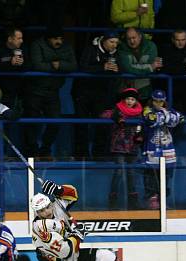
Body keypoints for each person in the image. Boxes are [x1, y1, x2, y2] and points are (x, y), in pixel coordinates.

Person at [26, 25, 77, 158]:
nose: (58, 41)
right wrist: (54, 66)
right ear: (48, 38)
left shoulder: (66, 47)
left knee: (55, 122)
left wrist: (59, 65)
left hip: (53, 91)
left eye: (60, 38)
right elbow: (37, 65)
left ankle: (45, 150)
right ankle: (32, 152)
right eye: (55, 39)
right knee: (31, 122)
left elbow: (73, 65)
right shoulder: (37, 44)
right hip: (35, 90)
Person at [74, 30, 121, 160]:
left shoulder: (116, 53)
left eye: (116, 42)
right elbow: (82, 67)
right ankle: (81, 155)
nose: (114, 45)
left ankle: (99, 154)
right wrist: (102, 67)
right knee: (82, 124)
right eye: (111, 42)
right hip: (83, 92)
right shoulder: (90, 50)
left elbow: (121, 68)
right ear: (104, 40)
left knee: (102, 124)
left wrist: (118, 70)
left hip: (102, 94)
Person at [102, 87, 144, 209]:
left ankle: (133, 202)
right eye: (128, 99)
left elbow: (141, 128)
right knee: (119, 171)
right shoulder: (117, 110)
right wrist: (116, 117)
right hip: (119, 146)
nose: (130, 101)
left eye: (132, 99)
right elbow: (104, 115)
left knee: (131, 173)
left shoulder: (139, 112)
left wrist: (139, 136)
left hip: (132, 147)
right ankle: (113, 200)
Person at [142, 89, 183, 209]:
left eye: (161, 101)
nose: (158, 104)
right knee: (151, 174)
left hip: (166, 147)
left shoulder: (169, 109)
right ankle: (152, 199)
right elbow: (151, 120)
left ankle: (162, 200)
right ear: (152, 100)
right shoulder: (147, 109)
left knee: (165, 175)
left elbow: (180, 118)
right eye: (156, 101)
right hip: (152, 147)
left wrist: (164, 117)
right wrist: (166, 117)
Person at [159, 29, 186, 116]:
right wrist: (185, 69)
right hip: (171, 88)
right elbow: (166, 68)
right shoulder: (166, 50)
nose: (180, 43)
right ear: (173, 40)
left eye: (183, 40)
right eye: (178, 40)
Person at [116, 27, 160, 100]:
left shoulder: (150, 46)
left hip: (145, 91)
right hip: (125, 92)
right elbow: (128, 68)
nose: (132, 41)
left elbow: (154, 67)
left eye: (134, 38)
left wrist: (135, 67)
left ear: (140, 36)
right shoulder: (122, 48)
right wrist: (149, 68)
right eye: (128, 39)